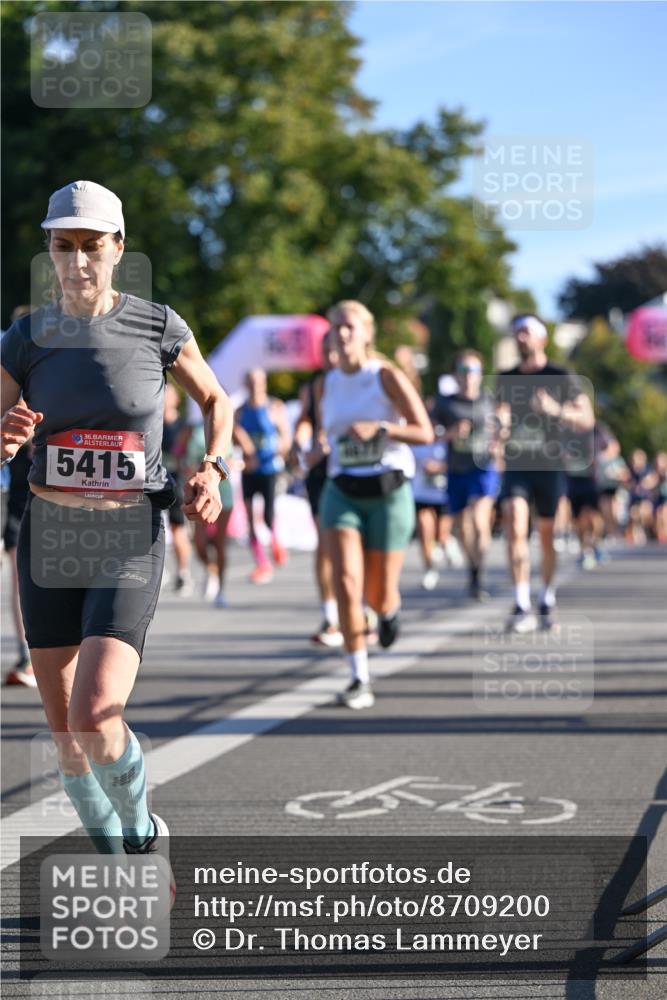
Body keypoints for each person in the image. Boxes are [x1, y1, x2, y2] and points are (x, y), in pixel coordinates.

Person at [0, 181, 233, 871]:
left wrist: (212, 469)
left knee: (97, 714)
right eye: (61, 247)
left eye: (90, 247)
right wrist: (7, 435)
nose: (75, 262)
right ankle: (122, 862)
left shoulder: (157, 326)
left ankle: (141, 831)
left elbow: (216, 398)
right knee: (66, 734)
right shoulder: (25, 337)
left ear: (118, 249)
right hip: (47, 540)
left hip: (127, 537)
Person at [319, 300, 433, 709]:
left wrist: (381, 428)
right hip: (342, 491)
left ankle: (389, 610)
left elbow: (425, 432)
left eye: (350, 326)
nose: (342, 334)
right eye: (336, 328)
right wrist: (314, 449)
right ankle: (358, 677)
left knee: (379, 592)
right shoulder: (329, 382)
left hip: (388, 491)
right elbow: (329, 436)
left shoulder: (384, 376)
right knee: (348, 584)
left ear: (367, 334)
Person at [495, 314, 594, 632]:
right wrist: (499, 425)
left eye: (525, 332)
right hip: (517, 465)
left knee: (547, 536)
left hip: (549, 465)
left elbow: (587, 419)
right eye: (516, 332)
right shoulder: (505, 377)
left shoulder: (560, 375)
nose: (519, 337)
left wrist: (556, 410)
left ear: (541, 339)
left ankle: (546, 597)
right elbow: (499, 415)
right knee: (514, 522)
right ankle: (521, 602)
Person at [434, 350, 500, 600]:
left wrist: (498, 443)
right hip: (456, 469)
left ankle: (478, 571)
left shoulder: (489, 400)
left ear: (480, 375)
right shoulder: (445, 403)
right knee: (464, 527)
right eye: (462, 371)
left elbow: (502, 429)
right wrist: (450, 433)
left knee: (478, 519)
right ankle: (474, 572)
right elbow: (430, 432)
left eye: (472, 371)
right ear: (455, 375)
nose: (467, 376)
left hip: (483, 467)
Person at [292, 331, 343, 646]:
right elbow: (306, 420)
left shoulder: (363, 381)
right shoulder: (314, 386)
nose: (332, 358)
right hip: (321, 473)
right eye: (327, 352)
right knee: (325, 544)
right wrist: (301, 439)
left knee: (353, 545)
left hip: (352, 471)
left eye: (335, 351)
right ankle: (331, 616)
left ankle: (363, 608)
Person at [234, 369, 291, 583]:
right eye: (250, 381)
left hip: (269, 469)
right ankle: (262, 563)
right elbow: (233, 434)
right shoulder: (240, 411)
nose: (255, 385)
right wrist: (244, 445)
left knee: (268, 515)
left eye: (258, 381)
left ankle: (276, 541)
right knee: (249, 518)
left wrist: (276, 451)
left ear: (264, 383)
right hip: (250, 471)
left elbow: (285, 438)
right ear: (246, 384)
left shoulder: (274, 407)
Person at [184, 419, 236, 606]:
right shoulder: (193, 428)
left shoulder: (228, 427)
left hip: (223, 491)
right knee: (199, 543)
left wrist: (231, 465)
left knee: (220, 543)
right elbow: (183, 456)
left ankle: (221, 590)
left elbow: (241, 457)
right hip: (198, 491)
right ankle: (211, 569)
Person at [162, 382, 193, 596]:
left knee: (176, 528)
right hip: (150, 479)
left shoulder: (182, 426)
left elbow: (187, 454)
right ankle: (157, 571)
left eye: (168, 395)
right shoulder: (150, 422)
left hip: (175, 480)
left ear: (176, 400)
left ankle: (183, 573)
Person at [410, 423, 448, 591]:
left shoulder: (448, 443)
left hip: (443, 495)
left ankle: (444, 544)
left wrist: (440, 467)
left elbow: (458, 463)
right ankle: (430, 569)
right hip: (421, 494)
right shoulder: (417, 442)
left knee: (441, 535)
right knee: (425, 529)